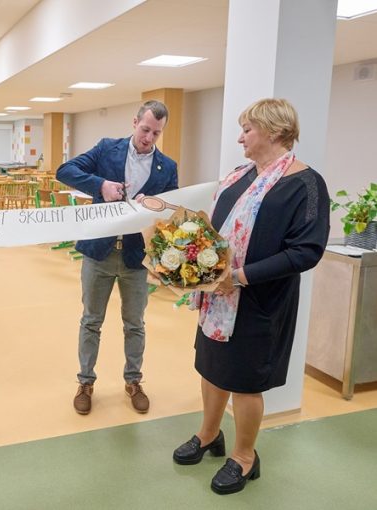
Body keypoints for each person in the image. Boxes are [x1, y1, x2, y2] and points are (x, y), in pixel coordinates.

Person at [171, 98, 330, 495]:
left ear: (274, 131)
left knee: (244, 381)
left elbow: (306, 251)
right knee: (211, 368)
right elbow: (215, 230)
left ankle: (244, 456)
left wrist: (239, 277)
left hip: (261, 301)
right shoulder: (239, 177)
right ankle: (209, 435)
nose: (240, 138)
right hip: (218, 298)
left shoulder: (306, 184)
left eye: (247, 130)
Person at [56, 100, 178, 415]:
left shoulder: (168, 167)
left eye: (156, 133)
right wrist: (100, 185)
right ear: (135, 122)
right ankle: (85, 382)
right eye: (145, 129)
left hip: (136, 259)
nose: (149, 138)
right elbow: (64, 171)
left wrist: (153, 205)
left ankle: (133, 381)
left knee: (135, 324)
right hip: (99, 253)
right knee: (91, 321)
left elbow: (170, 211)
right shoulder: (106, 149)